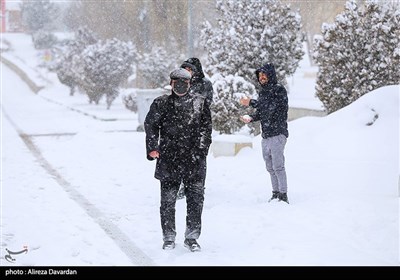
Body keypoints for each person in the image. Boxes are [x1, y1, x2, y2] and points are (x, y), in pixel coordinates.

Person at [144, 68, 212, 251]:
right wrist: (152, 148)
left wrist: (201, 150)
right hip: (169, 159)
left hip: (194, 160)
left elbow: (206, 129)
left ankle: (192, 237)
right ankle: (168, 236)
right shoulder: (161, 103)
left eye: (184, 83)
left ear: (190, 84)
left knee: (195, 200)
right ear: (171, 84)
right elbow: (150, 125)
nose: (180, 86)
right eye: (176, 83)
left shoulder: (200, 103)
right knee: (167, 201)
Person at [240, 63, 289, 204]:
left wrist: (251, 102)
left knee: (278, 166)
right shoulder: (263, 92)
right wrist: (251, 118)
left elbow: (270, 107)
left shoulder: (279, 90)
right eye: (259, 75)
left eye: (264, 75)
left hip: (278, 133)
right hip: (266, 135)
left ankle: (283, 195)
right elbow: (262, 111)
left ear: (270, 75)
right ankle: (275, 193)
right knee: (269, 166)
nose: (261, 78)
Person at [176, 57, 214, 200]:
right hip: (182, 128)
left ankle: (198, 186)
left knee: (199, 159)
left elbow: (206, 104)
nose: (187, 72)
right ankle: (181, 186)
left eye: (190, 69)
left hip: (199, 128)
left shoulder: (205, 84)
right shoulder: (180, 84)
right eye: (185, 69)